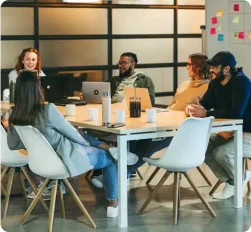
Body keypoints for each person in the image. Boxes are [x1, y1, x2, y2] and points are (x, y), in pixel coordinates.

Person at [7, 70, 122, 217]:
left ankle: (105, 146)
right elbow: (73, 135)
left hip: (38, 165)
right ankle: (113, 203)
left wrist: (37, 146)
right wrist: (87, 144)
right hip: (66, 160)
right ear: (36, 89)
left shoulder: (14, 114)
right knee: (110, 159)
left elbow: (13, 144)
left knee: (82, 136)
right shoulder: (47, 110)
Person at [128, 53, 211, 176]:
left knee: (148, 143)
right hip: (166, 123)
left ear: (198, 66)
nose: (186, 67)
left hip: (181, 130)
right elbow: (172, 104)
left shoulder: (209, 87)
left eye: (189, 64)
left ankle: (123, 171)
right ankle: (126, 169)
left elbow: (202, 111)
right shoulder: (184, 84)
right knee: (137, 137)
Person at [188, 51, 251, 200]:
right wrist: (193, 108)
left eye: (214, 67)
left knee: (221, 153)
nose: (211, 70)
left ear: (227, 68)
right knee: (201, 148)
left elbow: (236, 113)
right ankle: (233, 181)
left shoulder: (242, 82)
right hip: (231, 131)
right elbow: (205, 105)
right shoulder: (215, 82)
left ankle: (238, 179)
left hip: (248, 132)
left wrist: (206, 113)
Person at [89, 52, 155, 186]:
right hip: (111, 113)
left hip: (130, 116)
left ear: (133, 64)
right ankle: (102, 168)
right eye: (120, 63)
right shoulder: (114, 80)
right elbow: (101, 95)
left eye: (124, 63)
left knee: (116, 133)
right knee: (94, 131)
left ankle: (118, 168)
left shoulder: (144, 80)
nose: (121, 66)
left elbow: (150, 102)